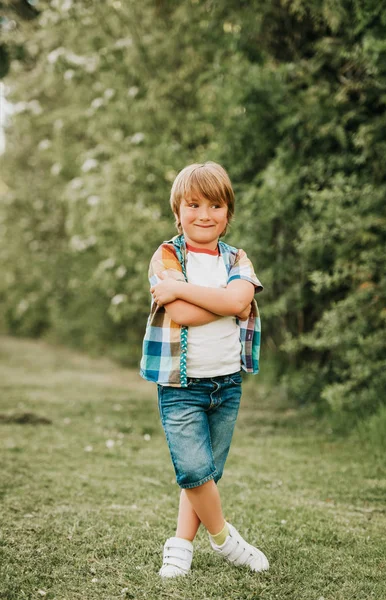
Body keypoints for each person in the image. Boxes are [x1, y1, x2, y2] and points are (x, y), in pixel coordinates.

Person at [140, 161, 269, 577]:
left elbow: (239, 303)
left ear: (227, 213)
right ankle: (224, 539)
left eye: (215, 205)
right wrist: (216, 298)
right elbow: (180, 311)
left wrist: (186, 291)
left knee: (205, 474)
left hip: (227, 383)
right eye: (193, 205)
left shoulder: (238, 257)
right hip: (180, 385)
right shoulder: (167, 255)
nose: (204, 214)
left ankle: (180, 545)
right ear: (178, 211)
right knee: (193, 469)